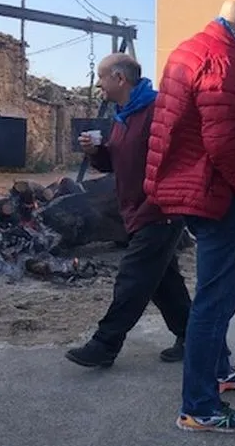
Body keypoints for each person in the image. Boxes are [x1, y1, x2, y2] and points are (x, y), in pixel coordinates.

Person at [144, 0, 235, 434]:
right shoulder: (224, 61)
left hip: (199, 190)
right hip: (220, 194)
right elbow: (225, 142)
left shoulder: (191, 49)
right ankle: (199, 406)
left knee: (214, 295)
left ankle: (217, 370)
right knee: (215, 302)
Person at [65, 53, 191, 368]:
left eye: (101, 76)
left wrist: (157, 203)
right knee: (163, 282)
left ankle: (104, 345)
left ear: (120, 78)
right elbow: (116, 162)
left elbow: (176, 161)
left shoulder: (158, 111)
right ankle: (191, 336)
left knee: (132, 278)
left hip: (159, 211)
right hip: (137, 211)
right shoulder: (125, 114)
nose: (98, 84)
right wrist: (96, 152)